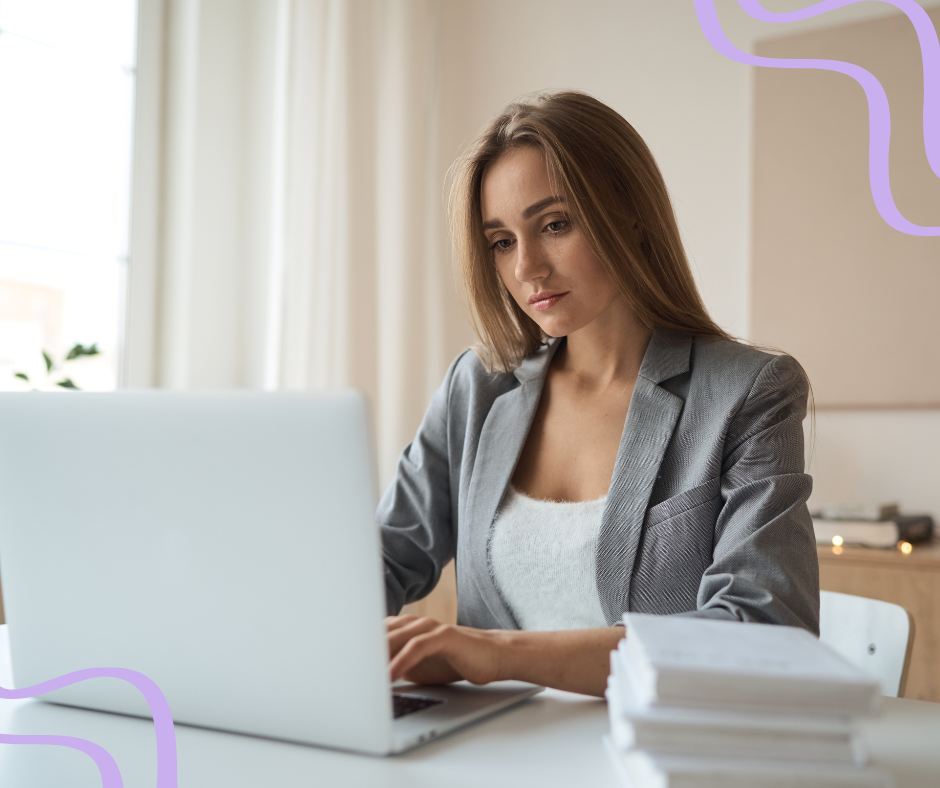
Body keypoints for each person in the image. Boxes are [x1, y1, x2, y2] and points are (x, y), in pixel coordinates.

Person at [380, 91, 818, 698]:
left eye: (554, 225)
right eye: (501, 241)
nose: (527, 267)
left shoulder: (748, 393)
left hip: (651, 757)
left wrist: (499, 654)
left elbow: (764, 632)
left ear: (630, 215)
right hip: (484, 754)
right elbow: (379, 561)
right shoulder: (476, 389)